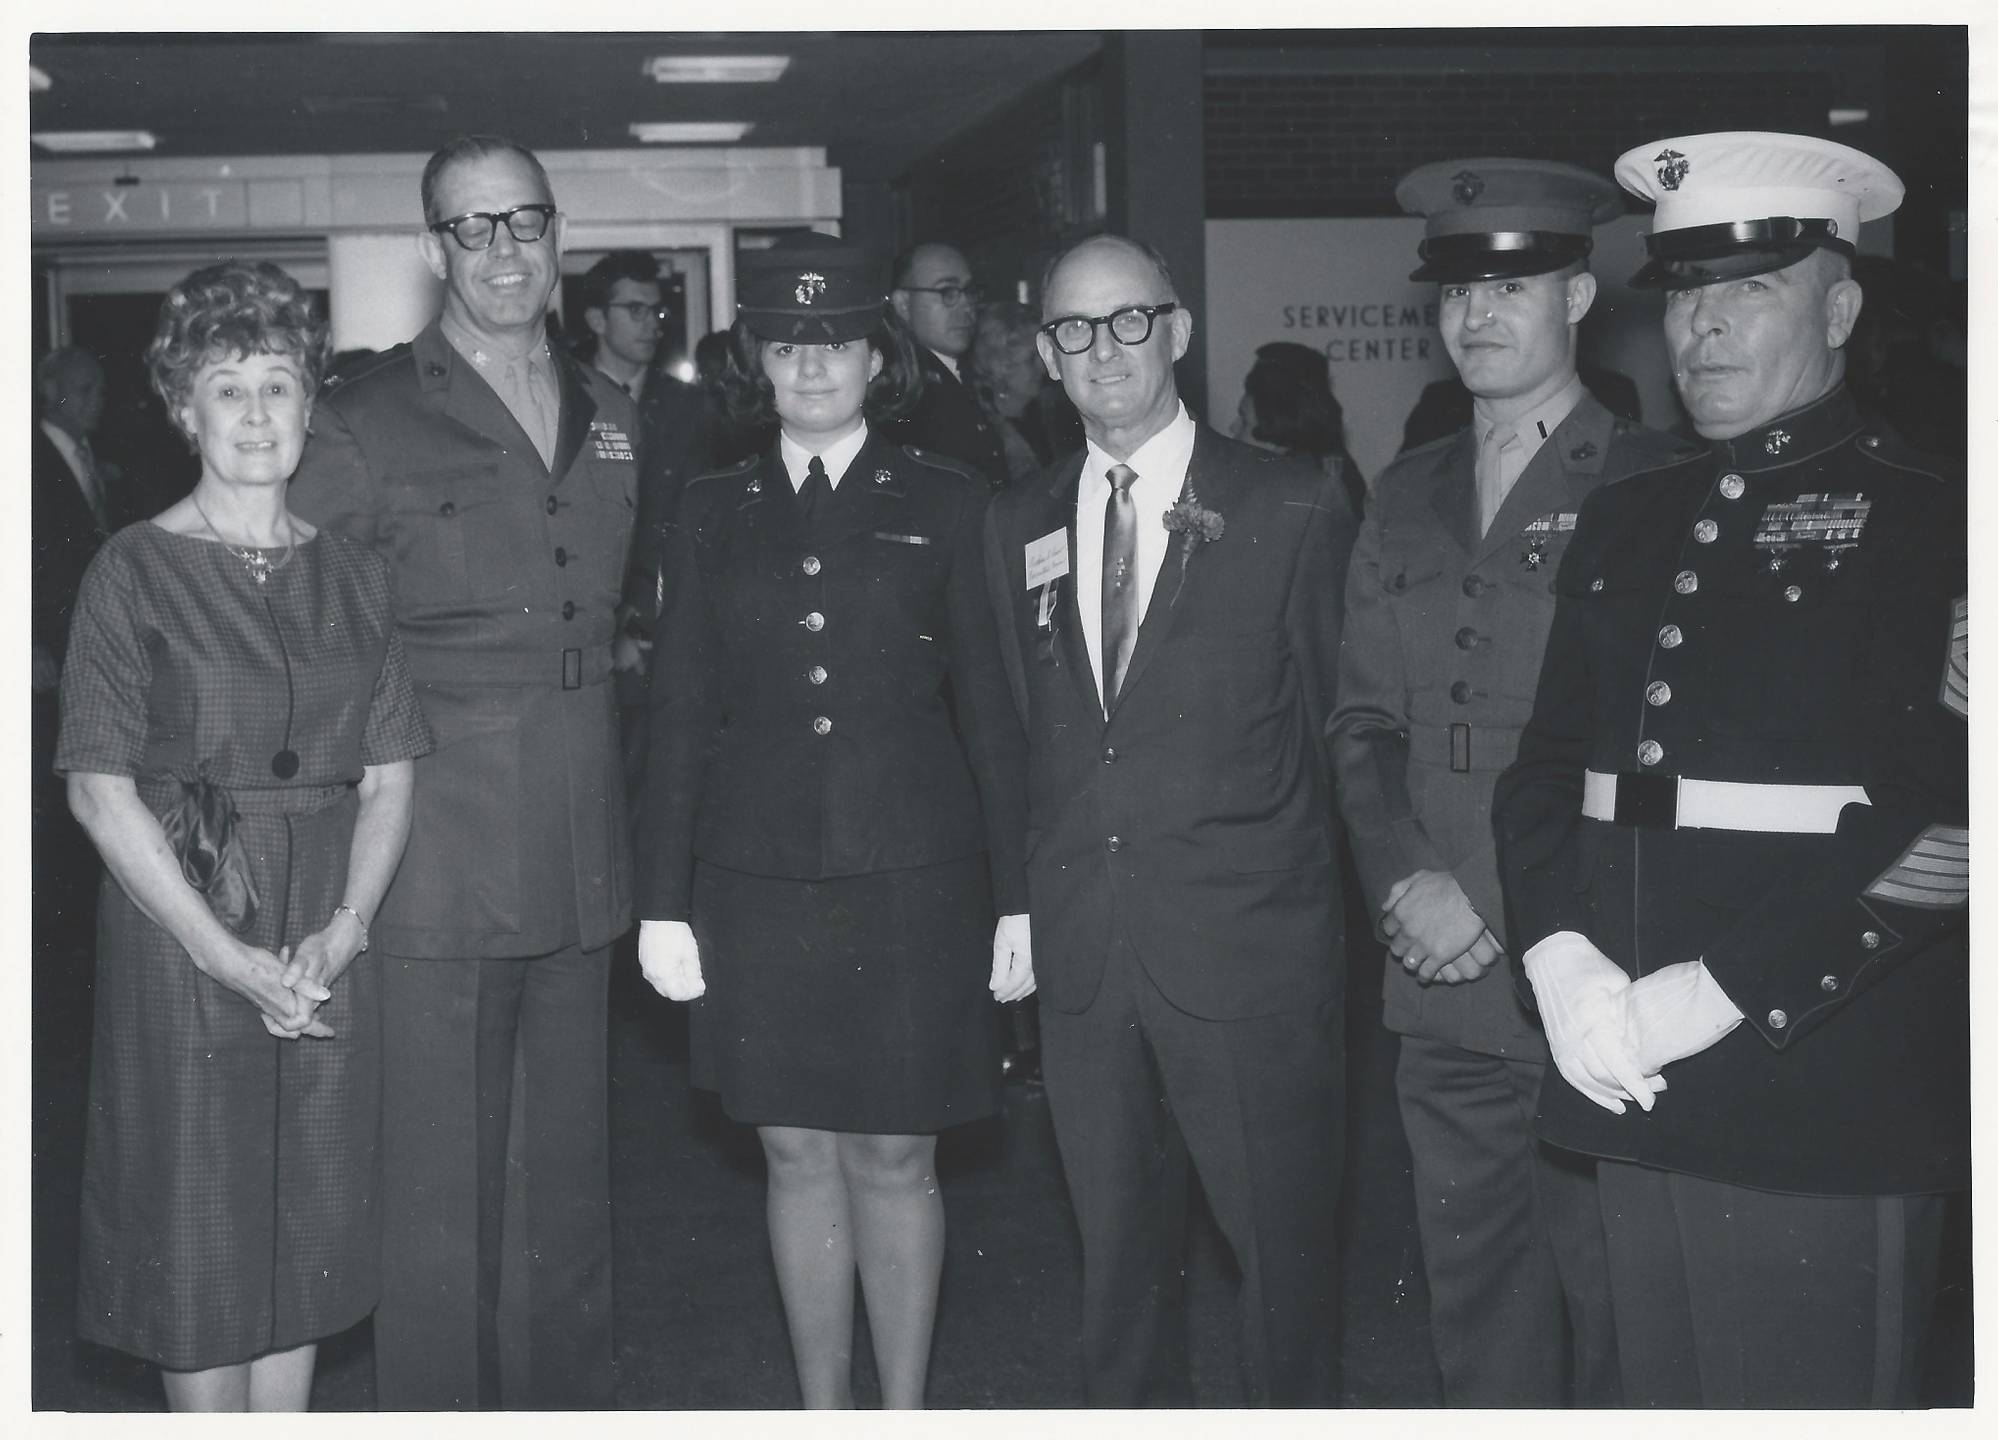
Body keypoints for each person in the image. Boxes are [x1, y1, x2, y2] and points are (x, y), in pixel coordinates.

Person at [1492, 131, 1966, 1407]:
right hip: (1627, 1073)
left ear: (1845, 306)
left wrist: (1713, 993)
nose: (1703, 327)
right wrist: (1562, 960)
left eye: (1750, 287)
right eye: (1688, 291)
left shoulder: (1940, 519)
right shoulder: (1630, 515)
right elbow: (1545, 769)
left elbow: (1954, 832)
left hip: (1810, 1078)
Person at [634, 231, 1031, 1408]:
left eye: (838, 341)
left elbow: (996, 720)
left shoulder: (954, 504)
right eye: (788, 342)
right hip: (754, 880)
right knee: (794, 1150)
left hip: (912, 875)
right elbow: (679, 716)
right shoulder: (711, 510)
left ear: (877, 357)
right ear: (758, 358)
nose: (813, 366)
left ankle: (900, 1413)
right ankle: (822, 1413)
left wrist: (1019, 897)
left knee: (898, 1154)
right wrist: (663, 900)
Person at [1330, 157, 1693, 1407]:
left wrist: (1481, 895)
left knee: (1610, 1301)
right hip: (1436, 979)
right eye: (1455, 296)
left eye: (1517, 288)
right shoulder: (1410, 487)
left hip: (1587, 958)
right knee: (1472, 1294)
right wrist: (1406, 881)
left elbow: (1642, 745)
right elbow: (1362, 722)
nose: (1477, 319)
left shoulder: (1655, 481)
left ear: (1580, 297)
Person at [288, 134, 636, 1410]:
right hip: (433, 860)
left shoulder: (615, 417)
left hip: (582, 847)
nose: (504, 251)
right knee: (438, 1210)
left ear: (557, 238)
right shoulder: (365, 418)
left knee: (569, 1196)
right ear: (435, 247)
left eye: (524, 222)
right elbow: (310, 646)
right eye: (473, 227)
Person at [980, 234, 1353, 1405]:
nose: (1104, 352)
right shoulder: (1016, 523)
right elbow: (1028, 738)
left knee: (1282, 1281)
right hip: (1092, 962)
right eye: (1074, 331)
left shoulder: (1291, 501)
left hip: (1252, 961)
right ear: (1046, 354)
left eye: (1128, 321)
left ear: (1179, 331)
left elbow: (1344, 732)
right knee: (1120, 1285)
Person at [55, 258, 429, 1410]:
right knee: (202, 1237)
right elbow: (99, 792)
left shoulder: (358, 575)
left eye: (279, 384)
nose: (257, 412)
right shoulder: (131, 569)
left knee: (306, 1225)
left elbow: (390, 773)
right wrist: (225, 958)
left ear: (313, 405)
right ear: (183, 410)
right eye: (229, 387)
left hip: (322, 924)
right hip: (186, 924)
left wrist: (347, 932)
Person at [888, 241, 1007, 486]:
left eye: (969, 291)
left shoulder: (956, 372)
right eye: (947, 292)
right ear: (903, 304)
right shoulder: (900, 390)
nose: (966, 306)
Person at [1229, 340, 1367, 519]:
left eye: (1245, 421)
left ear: (1277, 439)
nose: (1233, 427)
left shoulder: (1311, 492)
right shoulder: (1327, 476)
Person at [969, 299, 1082, 487]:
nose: (1044, 367)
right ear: (1000, 367)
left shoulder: (1055, 412)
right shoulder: (984, 434)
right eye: (1032, 359)